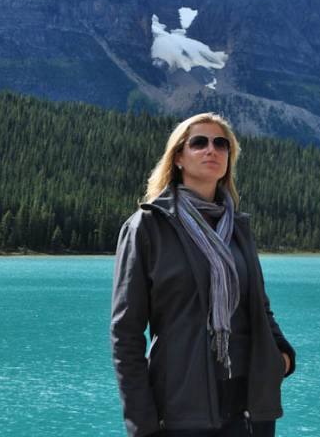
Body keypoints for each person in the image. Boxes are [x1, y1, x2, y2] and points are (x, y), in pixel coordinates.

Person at [110, 112, 296, 437]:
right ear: (178, 157)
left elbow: (260, 308)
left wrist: (281, 357)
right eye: (199, 142)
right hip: (181, 410)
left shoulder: (237, 228)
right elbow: (126, 335)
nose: (212, 150)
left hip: (250, 409)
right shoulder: (148, 227)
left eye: (221, 144)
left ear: (229, 158)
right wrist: (142, 426)